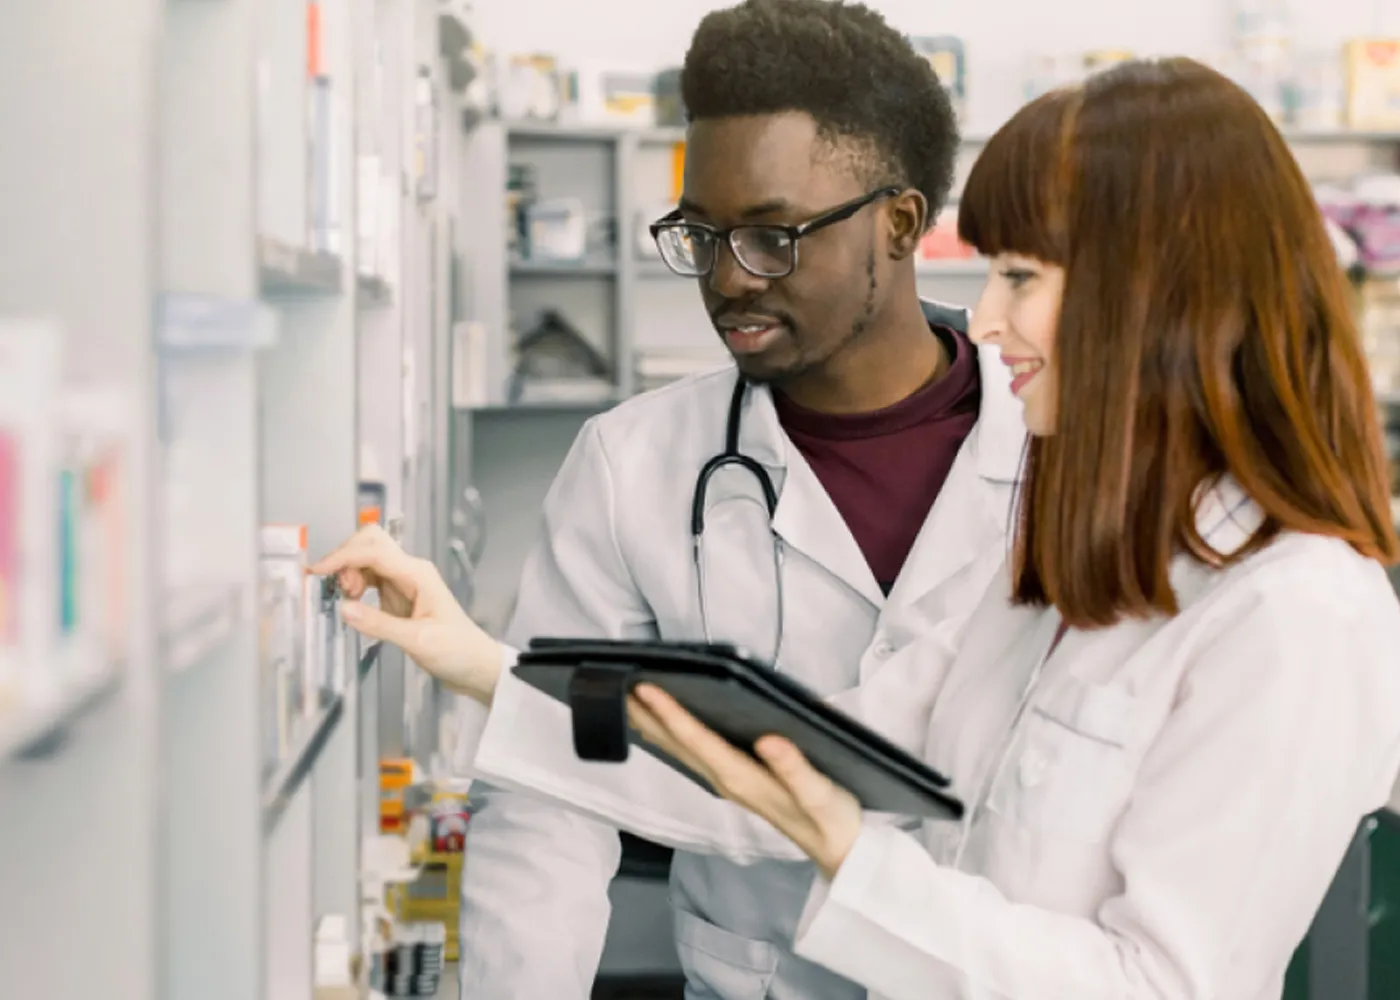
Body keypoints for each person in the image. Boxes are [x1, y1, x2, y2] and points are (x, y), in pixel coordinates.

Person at [318, 57, 1400, 1000]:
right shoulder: (1086, 565)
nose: (980, 317)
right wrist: (485, 667)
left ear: (1153, 293)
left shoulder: (1301, 614)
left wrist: (846, 858)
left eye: (1018, 276)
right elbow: (801, 762)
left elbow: (1156, 985)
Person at [316, 2, 1026, 998]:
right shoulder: (631, 465)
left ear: (900, 224)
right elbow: (547, 806)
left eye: (772, 238)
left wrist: (491, 674)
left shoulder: (1060, 448)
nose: (728, 280)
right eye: (701, 235)